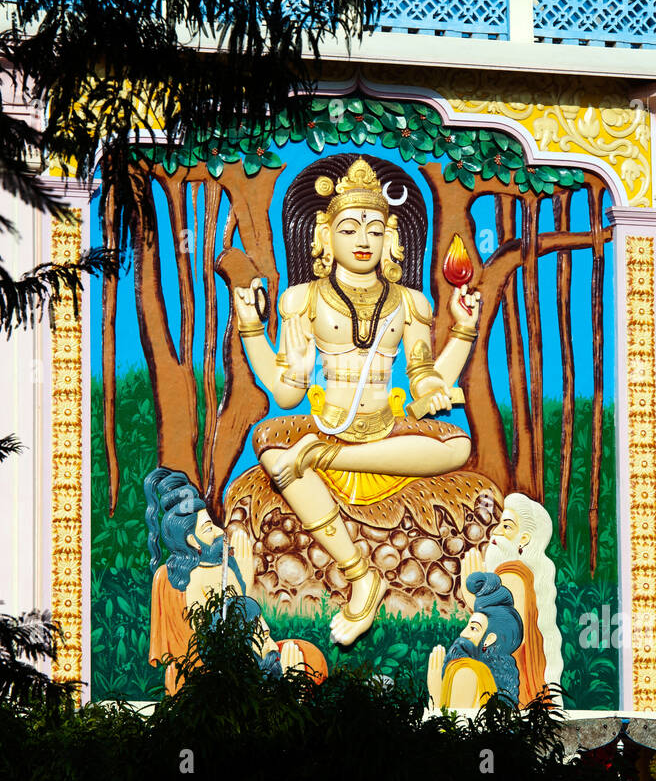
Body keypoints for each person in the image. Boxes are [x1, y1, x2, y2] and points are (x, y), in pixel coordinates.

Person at [231, 155, 482, 646]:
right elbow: (288, 389)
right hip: (327, 424)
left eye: (373, 229)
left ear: (390, 237)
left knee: (458, 444)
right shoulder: (302, 300)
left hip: (385, 436)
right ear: (326, 237)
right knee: (271, 444)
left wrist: (465, 329)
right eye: (349, 229)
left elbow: (425, 378)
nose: (363, 241)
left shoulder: (411, 304)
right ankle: (360, 575)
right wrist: (252, 328)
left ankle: (329, 457)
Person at [143, 467, 326, 694]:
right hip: (221, 673)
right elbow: (218, 637)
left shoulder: (223, 565)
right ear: (192, 540)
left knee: (311, 657)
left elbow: (246, 614)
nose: (220, 532)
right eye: (209, 528)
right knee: (298, 669)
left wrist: (243, 573)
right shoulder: (178, 580)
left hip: (253, 654)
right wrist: (285, 675)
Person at [459, 492, 564, 706]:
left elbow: (505, 630)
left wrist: (469, 595)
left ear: (523, 538)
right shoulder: (519, 573)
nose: (496, 531)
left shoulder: (513, 573)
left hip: (514, 671)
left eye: (506, 526)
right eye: (500, 524)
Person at [425, 571, 523, 710]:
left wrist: (435, 693)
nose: (463, 634)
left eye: (473, 628)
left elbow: (455, 727)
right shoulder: (496, 680)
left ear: (489, 640)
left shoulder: (467, 671)